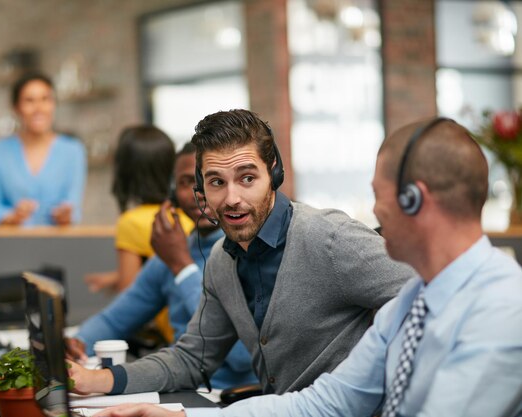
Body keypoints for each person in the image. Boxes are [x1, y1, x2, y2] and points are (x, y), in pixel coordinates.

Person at [97, 117, 522, 417]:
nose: (373, 212)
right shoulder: (412, 302)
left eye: (380, 194)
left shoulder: (503, 309)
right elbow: (324, 403)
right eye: (215, 182)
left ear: (414, 200)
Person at [68, 109, 413, 397]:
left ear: (273, 172)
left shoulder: (330, 238)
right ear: (202, 187)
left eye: (247, 178)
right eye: (216, 182)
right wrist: (95, 380)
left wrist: (377, 377)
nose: (231, 198)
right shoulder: (221, 259)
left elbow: (428, 293)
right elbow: (193, 359)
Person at [66, 143, 257, 389]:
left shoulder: (248, 250)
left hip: (232, 397)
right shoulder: (173, 250)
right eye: (187, 181)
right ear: (172, 193)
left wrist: (182, 267)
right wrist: (80, 341)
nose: (199, 190)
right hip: (180, 384)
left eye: (213, 180)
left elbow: (242, 356)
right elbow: (115, 320)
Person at [84, 125, 194, 343]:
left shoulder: (133, 223)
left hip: (176, 338)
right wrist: (114, 277)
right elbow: (162, 269)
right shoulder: (189, 217)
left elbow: (129, 298)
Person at [0, 72, 87, 226]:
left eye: (45, 99)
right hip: (12, 245)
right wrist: (13, 216)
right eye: (29, 101)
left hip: (58, 246)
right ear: (16, 108)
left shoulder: (73, 151)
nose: (39, 108)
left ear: (54, 104)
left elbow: (74, 208)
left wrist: (64, 215)